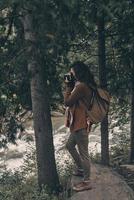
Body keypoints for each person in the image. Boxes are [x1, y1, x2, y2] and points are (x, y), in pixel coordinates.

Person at [64, 61, 97, 192]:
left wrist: (67, 86)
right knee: (69, 146)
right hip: (78, 123)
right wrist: (71, 85)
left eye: (72, 72)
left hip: (81, 124)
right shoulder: (82, 85)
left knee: (84, 154)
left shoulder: (82, 86)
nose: (71, 75)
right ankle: (81, 168)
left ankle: (87, 181)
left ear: (78, 72)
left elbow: (67, 102)